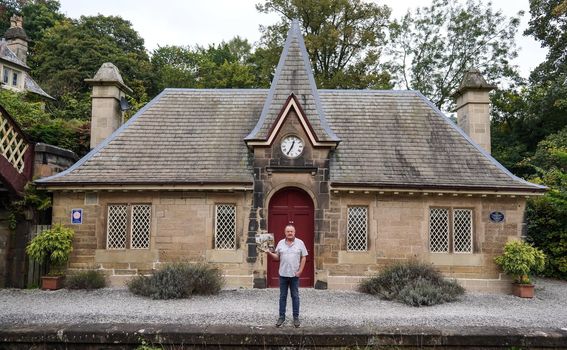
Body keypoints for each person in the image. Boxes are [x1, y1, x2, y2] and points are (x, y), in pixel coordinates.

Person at [265, 224, 308, 328]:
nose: (290, 233)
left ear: (294, 232)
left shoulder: (300, 243)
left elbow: (304, 257)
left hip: (294, 275)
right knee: (282, 297)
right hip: (283, 274)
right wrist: (269, 253)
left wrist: (300, 271)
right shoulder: (280, 243)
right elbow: (277, 257)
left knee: (295, 296)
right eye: (288, 231)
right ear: (285, 233)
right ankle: (281, 317)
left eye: (291, 231)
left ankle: (296, 317)